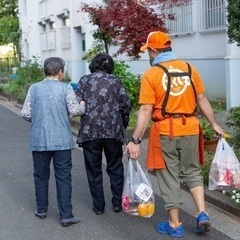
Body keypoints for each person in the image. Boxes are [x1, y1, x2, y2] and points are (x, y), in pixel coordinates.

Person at [125, 31, 225, 238]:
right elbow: (202, 98)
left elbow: (145, 111)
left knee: (169, 175)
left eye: (148, 52)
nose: (148, 56)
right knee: (192, 171)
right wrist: (214, 124)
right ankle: (202, 213)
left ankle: (174, 223)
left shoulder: (151, 75)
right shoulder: (190, 69)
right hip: (190, 127)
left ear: (154, 50)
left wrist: (135, 140)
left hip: (165, 131)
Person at [21, 57, 85, 227]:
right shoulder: (66, 89)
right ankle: (66, 215)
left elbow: (26, 113)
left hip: (39, 140)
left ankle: (41, 210)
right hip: (62, 141)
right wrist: (83, 105)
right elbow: (74, 110)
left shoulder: (33, 88)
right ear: (60, 72)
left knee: (40, 176)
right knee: (63, 178)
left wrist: (39, 122)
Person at [75, 53, 131, 215]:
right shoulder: (116, 81)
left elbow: (77, 104)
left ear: (93, 65)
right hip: (112, 130)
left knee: (93, 169)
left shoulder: (85, 81)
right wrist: (123, 124)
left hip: (90, 131)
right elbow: (125, 104)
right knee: (115, 166)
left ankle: (98, 206)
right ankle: (117, 203)